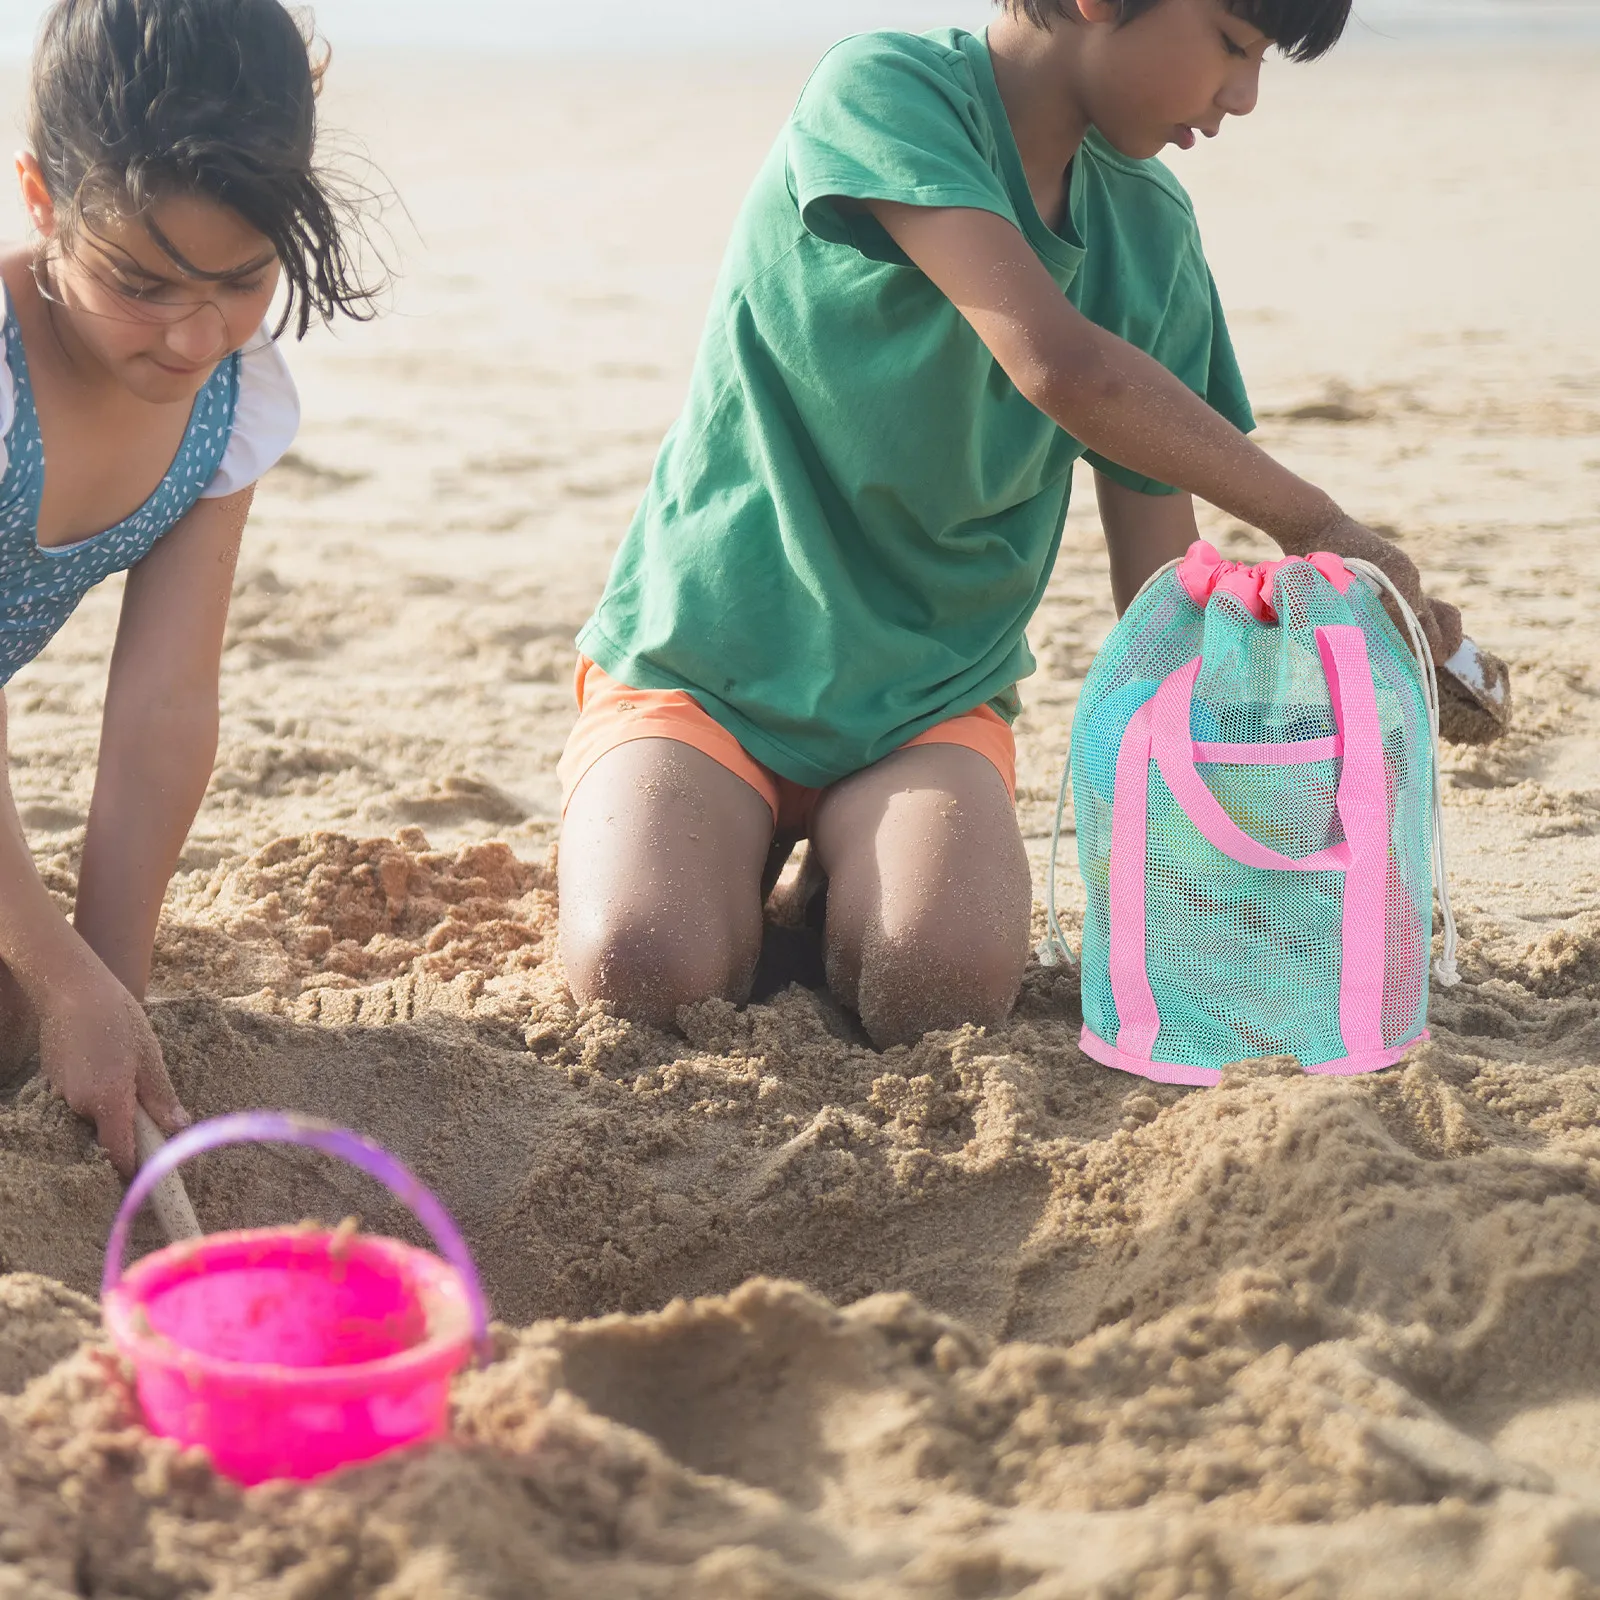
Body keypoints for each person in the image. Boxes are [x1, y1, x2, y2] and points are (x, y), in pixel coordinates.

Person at [557, 0, 1465, 1049]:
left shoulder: (1152, 234)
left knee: (935, 988)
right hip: (704, 664)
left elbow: (1159, 585)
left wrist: (1332, 630)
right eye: (1229, 42)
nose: (1243, 96)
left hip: (926, 703)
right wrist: (1319, 525)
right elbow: (1058, 364)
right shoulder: (885, 92)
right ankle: (703, 836)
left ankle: (820, 882)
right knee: (646, 967)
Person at [0, 0, 379, 1174]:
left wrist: (107, 985)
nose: (193, 333)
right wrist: (56, 972)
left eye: (243, 277)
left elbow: (163, 705)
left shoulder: (231, 397)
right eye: (141, 280)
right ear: (42, 198)